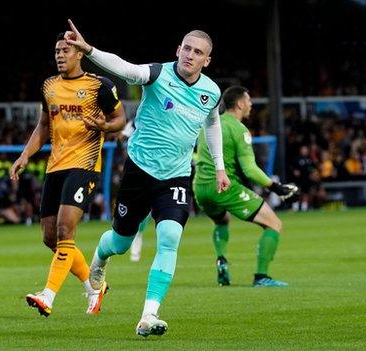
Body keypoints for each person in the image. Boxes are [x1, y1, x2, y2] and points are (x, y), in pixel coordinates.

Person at [64, 19, 230, 337]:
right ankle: (99, 260)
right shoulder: (157, 74)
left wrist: (220, 166)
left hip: (177, 176)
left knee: (169, 238)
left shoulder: (211, 91)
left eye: (198, 52)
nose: (190, 55)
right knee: (120, 242)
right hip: (139, 171)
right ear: (178, 50)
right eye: (187, 48)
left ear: (206, 60)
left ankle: (148, 315)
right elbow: (126, 69)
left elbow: (212, 124)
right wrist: (88, 50)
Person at [10, 32, 126, 317]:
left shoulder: (100, 85)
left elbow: (120, 120)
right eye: (56, 51)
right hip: (56, 167)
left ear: (79, 55)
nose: (60, 55)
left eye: (65, 50)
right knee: (50, 237)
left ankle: (47, 296)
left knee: (65, 230)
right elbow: (43, 126)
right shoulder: (49, 86)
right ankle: (93, 287)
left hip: (84, 165)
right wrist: (25, 154)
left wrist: (104, 126)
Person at [193, 86, 298, 287]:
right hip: (224, 187)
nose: (251, 105)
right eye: (248, 101)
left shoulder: (207, 124)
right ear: (240, 104)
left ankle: (221, 259)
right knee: (274, 224)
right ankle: (261, 277)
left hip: (200, 188)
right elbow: (249, 169)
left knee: (222, 221)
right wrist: (275, 186)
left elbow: (196, 155)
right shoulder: (239, 129)